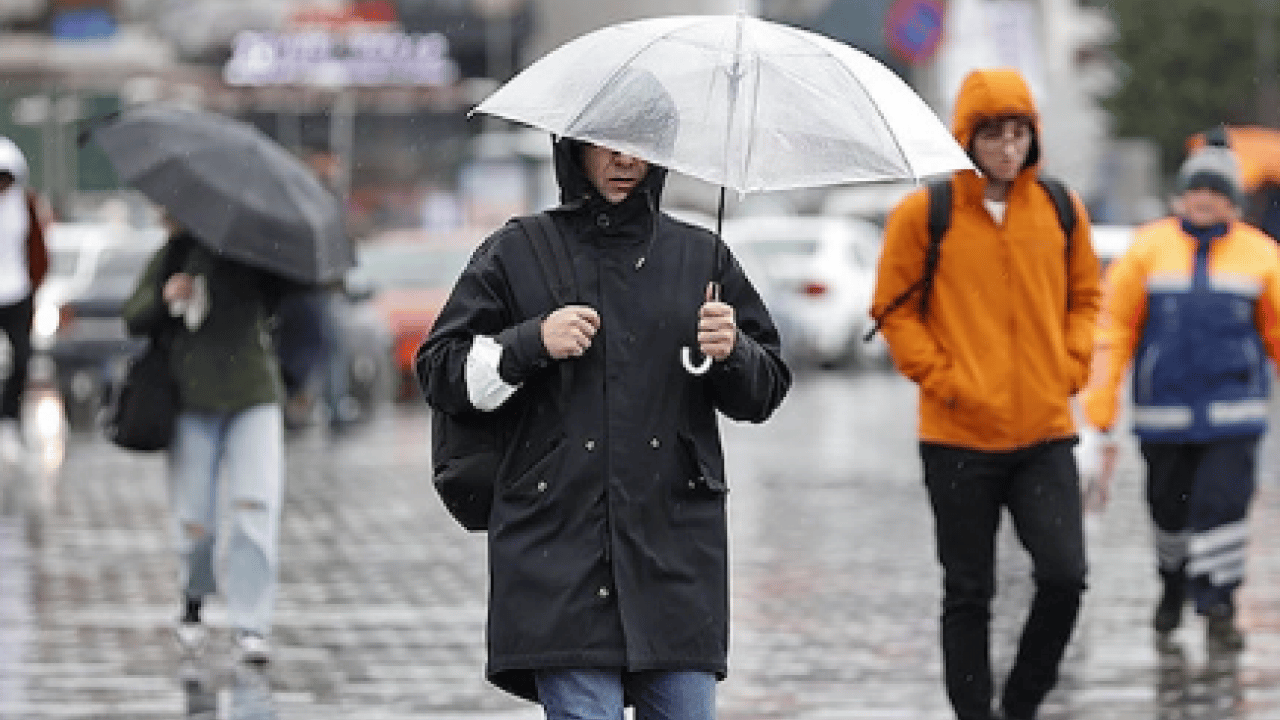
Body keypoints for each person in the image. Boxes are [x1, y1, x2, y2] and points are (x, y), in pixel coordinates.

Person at [416, 133, 791, 719]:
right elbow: (440, 371)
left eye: (639, 144)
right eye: (606, 143)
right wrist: (528, 342)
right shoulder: (518, 251)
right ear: (572, 149)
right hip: (558, 553)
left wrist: (735, 350)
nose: (625, 160)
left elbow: (764, 393)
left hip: (677, 560)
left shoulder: (702, 257)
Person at [869, 68, 1101, 720]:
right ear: (966, 137)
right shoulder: (926, 213)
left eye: (1019, 132)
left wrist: (1071, 365)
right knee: (969, 591)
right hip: (957, 439)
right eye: (993, 133)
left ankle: (1021, 704)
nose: (1007, 147)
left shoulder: (1060, 208)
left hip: (1045, 433)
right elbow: (893, 310)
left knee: (1064, 577)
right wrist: (945, 379)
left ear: (1034, 135)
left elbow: (1086, 298)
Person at [1079, 136, 1280, 651]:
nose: (1205, 200)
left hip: (1235, 414)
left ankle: (1219, 603)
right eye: (1197, 190)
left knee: (1225, 507)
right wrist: (1101, 396)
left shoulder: (1261, 256)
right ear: (1180, 197)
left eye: (1217, 192)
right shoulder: (1147, 249)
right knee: (1169, 509)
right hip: (1163, 415)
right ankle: (1172, 586)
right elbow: (1114, 328)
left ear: (1234, 202)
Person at [123, 219, 295, 664]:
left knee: (255, 511)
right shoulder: (174, 253)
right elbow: (134, 316)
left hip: (253, 397)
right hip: (191, 401)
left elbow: (293, 297)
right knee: (195, 520)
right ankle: (193, 603)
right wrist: (167, 297)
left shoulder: (260, 251)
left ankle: (251, 624)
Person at [0, 136, 49, 464]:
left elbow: (38, 250)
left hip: (17, 292)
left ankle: (10, 421)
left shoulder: (25, 204)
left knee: (21, 357)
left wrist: (34, 283)